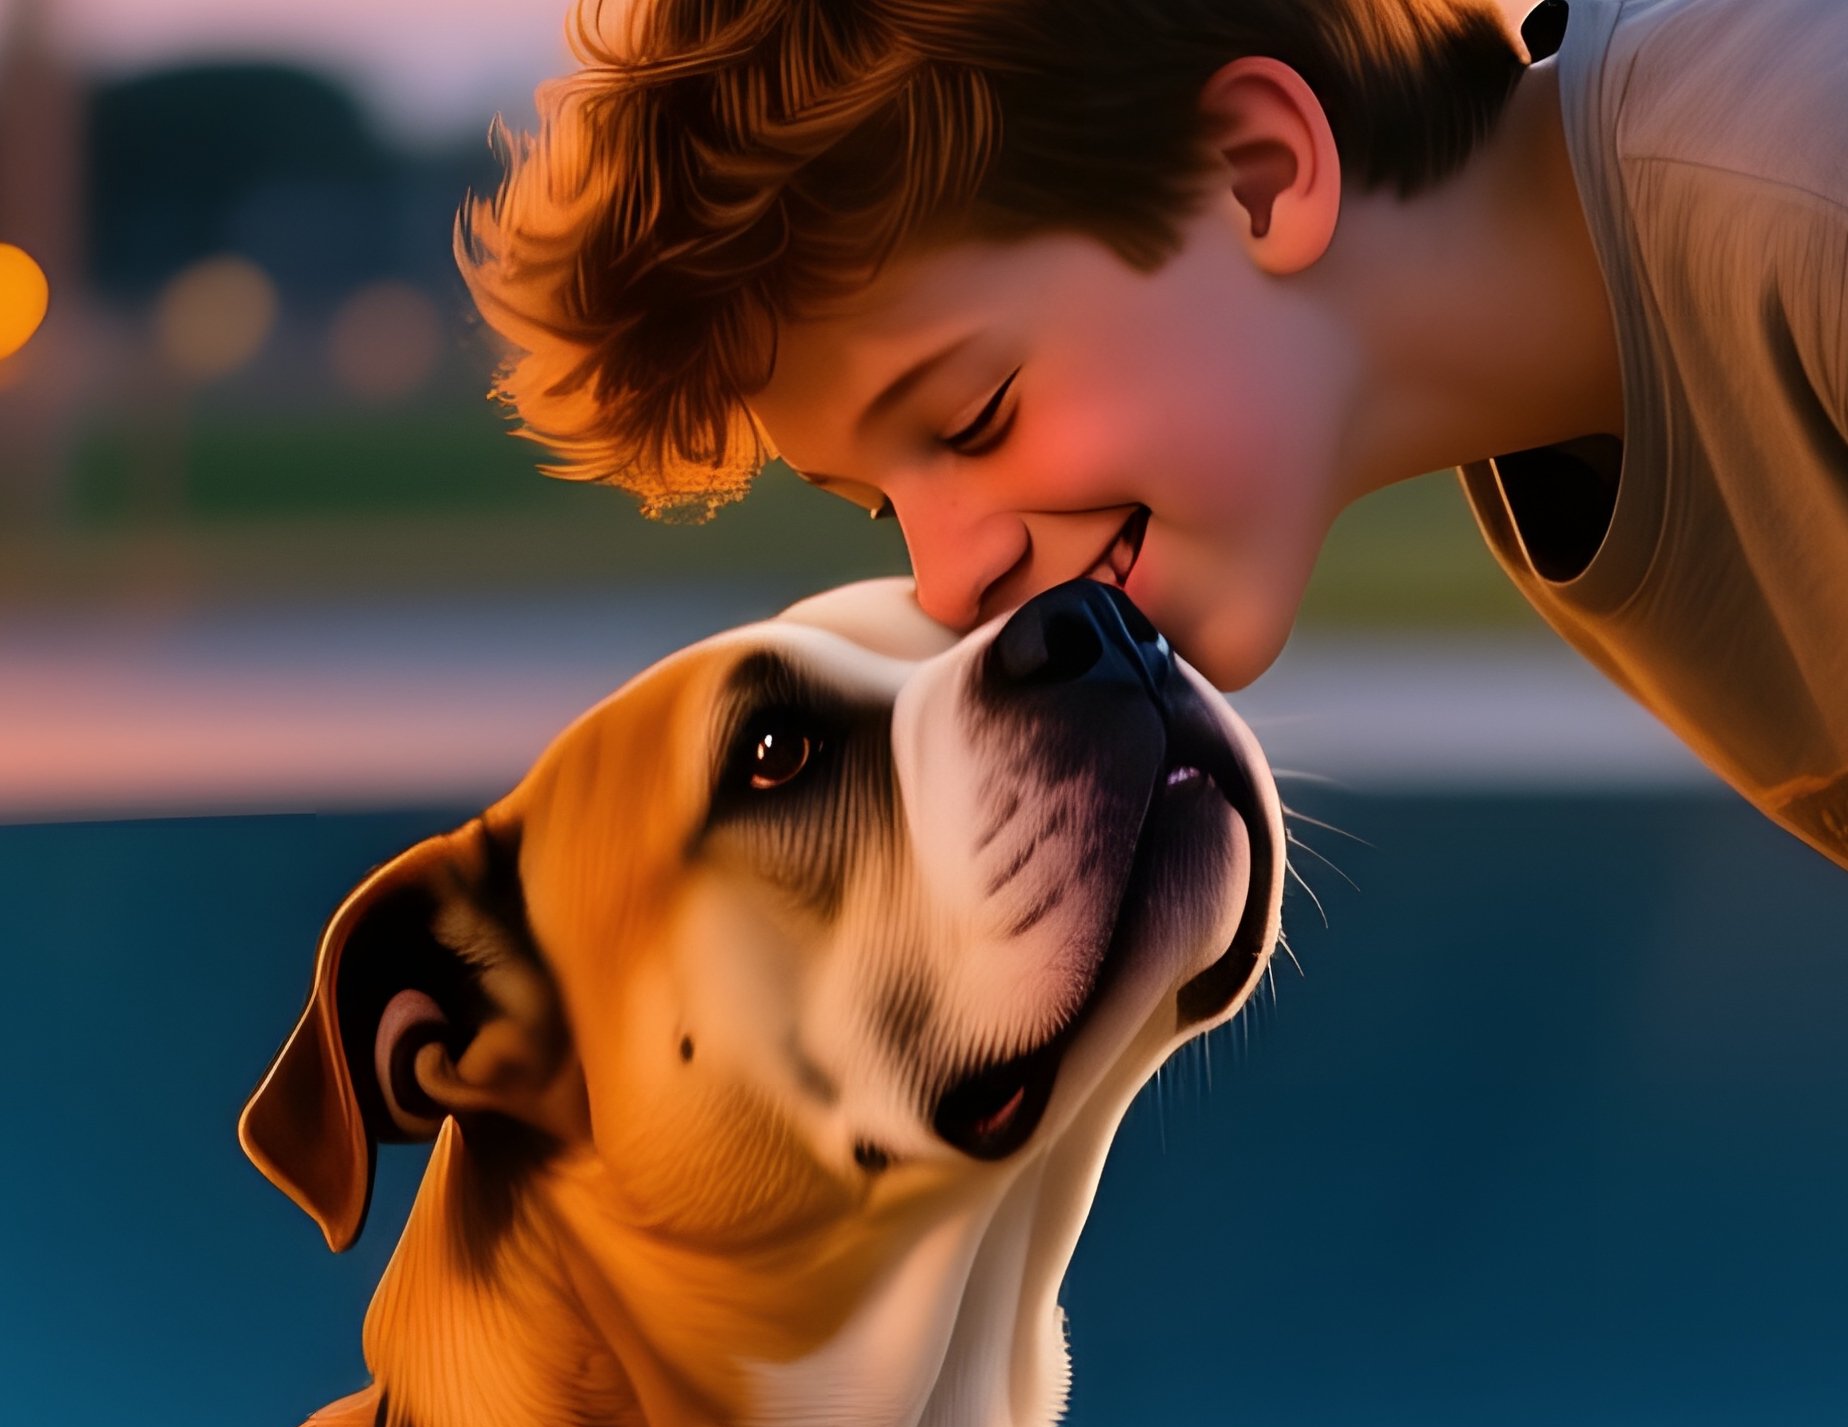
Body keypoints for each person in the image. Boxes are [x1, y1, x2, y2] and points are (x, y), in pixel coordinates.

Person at [458, 0, 1848, 867]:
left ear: (1255, 174)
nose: (946, 584)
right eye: (880, 507)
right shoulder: (1565, 417)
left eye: (970, 415)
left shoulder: (1801, 170)